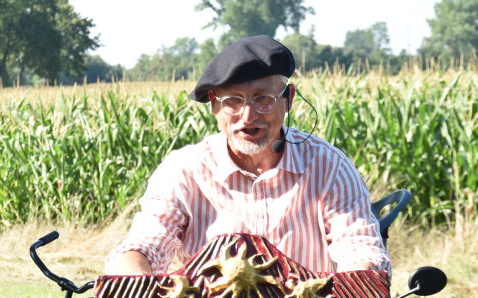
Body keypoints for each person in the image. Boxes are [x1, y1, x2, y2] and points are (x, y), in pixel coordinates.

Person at [106, 35, 391, 276]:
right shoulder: (183, 171)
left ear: (288, 99)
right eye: (232, 101)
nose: (248, 116)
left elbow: (359, 246)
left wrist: (361, 276)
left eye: (263, 99)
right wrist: (136, 277)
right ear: (214, 107)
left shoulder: (329, 166)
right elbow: (145, 244)